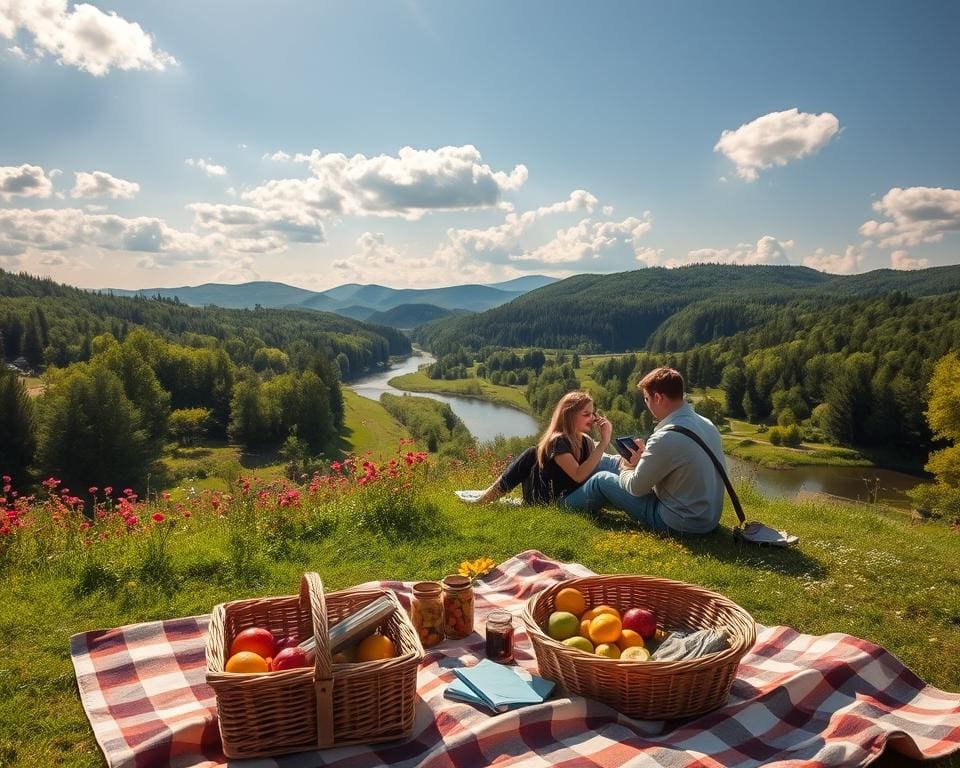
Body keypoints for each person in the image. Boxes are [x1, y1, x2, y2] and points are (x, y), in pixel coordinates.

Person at [574, 366, 725, 535]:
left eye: (646, 399)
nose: (647, 405)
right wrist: (644, 459)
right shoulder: (707, 424)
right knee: (608, 460)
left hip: (679, 522)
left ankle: (562, 504)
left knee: (601, 480)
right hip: (708, 518)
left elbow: (636, 488)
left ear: (658, 398)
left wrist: (627, 467)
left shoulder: (666, 437)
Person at [476, 390, 626, 505]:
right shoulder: (558, 441)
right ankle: (486, 498)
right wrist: (604, 443)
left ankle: (488, 495)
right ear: (569, 415)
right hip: (554, 501)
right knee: (532, 454)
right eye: (586, 414)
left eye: (593, 414)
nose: (592, 418)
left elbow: (594, 467)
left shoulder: (586, 441)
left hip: (573, 495)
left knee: (532, 454)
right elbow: (579, 475)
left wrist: (608, 444)